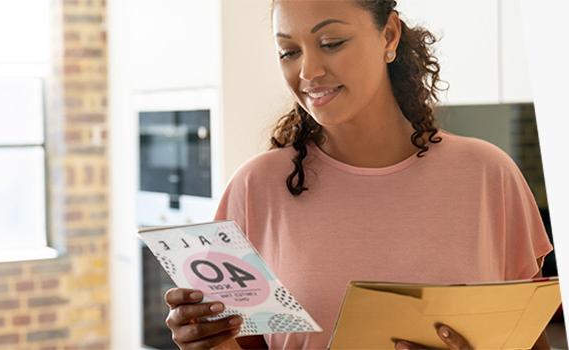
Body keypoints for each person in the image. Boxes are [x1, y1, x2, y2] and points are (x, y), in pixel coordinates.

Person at [162, 0, 554, 349]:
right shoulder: (255, 189)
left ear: (389, 34)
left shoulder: (488, 176)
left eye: (332, 42)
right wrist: (207, 342)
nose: (308, 70)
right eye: (289, 51)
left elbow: (530, 339)